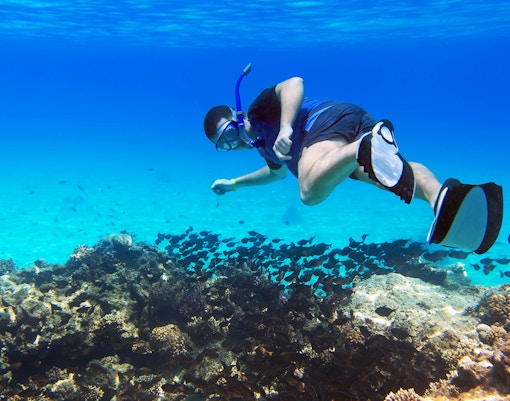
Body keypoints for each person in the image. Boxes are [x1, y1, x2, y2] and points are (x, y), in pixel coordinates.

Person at [203, 76, 503, 254]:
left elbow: (294, 84)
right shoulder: (263, 147)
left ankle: (363, 146)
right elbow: (275, 174)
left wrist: (285, 127)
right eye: (224, 145)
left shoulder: (258, 111)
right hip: (349, 123)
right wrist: (233, 184)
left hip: (324, 121)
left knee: (308, 192)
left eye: (229, 134)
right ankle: (443, 199)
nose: (233, 144)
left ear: (237, 115)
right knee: (389, 174)